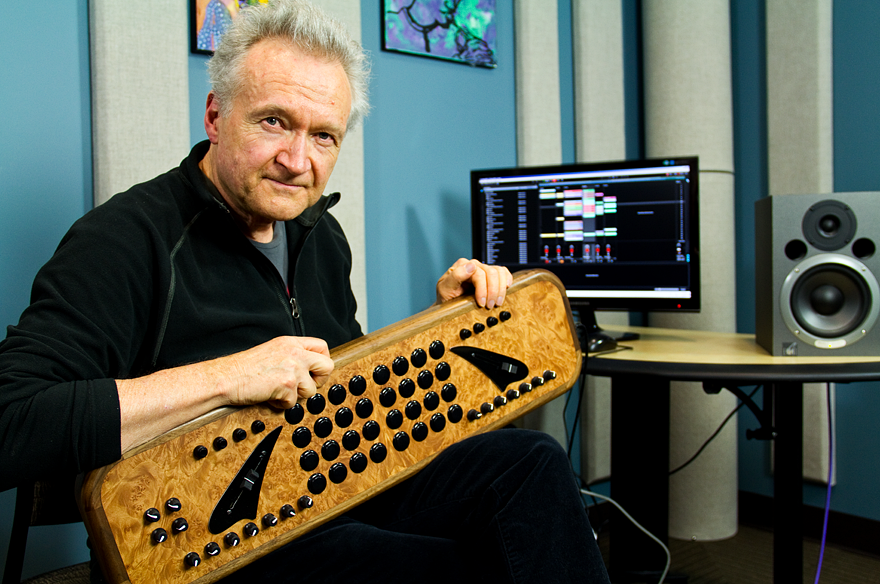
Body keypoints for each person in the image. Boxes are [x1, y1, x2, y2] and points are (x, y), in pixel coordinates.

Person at [0, 1, 610, 582]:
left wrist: (440, 326)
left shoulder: (319, 233)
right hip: (205, 542)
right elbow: (12, 421)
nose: (298, 160)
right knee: (448, 568)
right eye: (275, 122)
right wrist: (228, 377)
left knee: (532, 464)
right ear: (215, 116)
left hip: (328, 488)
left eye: (324, 136)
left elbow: (337, 383)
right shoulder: (127, 238)